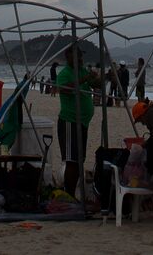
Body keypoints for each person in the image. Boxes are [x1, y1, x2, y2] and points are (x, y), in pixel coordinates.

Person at [55, 44, 98, 196]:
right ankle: (69, 195)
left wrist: (102, 77)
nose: (80, 59)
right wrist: (85, 77)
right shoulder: (65, 73)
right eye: (77, 56)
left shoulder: (82, 71)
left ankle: (72, 195)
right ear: (68, 57)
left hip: (82, 123)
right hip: (69, 121)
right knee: (71, 161)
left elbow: (95, 85)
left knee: (80, 159)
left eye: (81, 56)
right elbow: (64, 88)